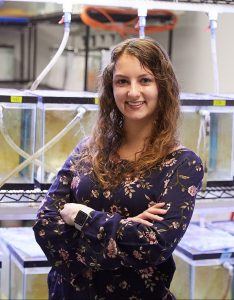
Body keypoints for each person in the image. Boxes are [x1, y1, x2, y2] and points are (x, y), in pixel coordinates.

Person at [33, 37, 204, 300]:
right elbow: (45, 228)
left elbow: (153, 246)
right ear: (111, 88)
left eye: (144, 80)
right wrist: (125, 230)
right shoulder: (86, 150)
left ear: (163, 86)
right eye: (122, 81)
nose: (133, 92)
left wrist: (82, 217)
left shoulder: (183, 164)